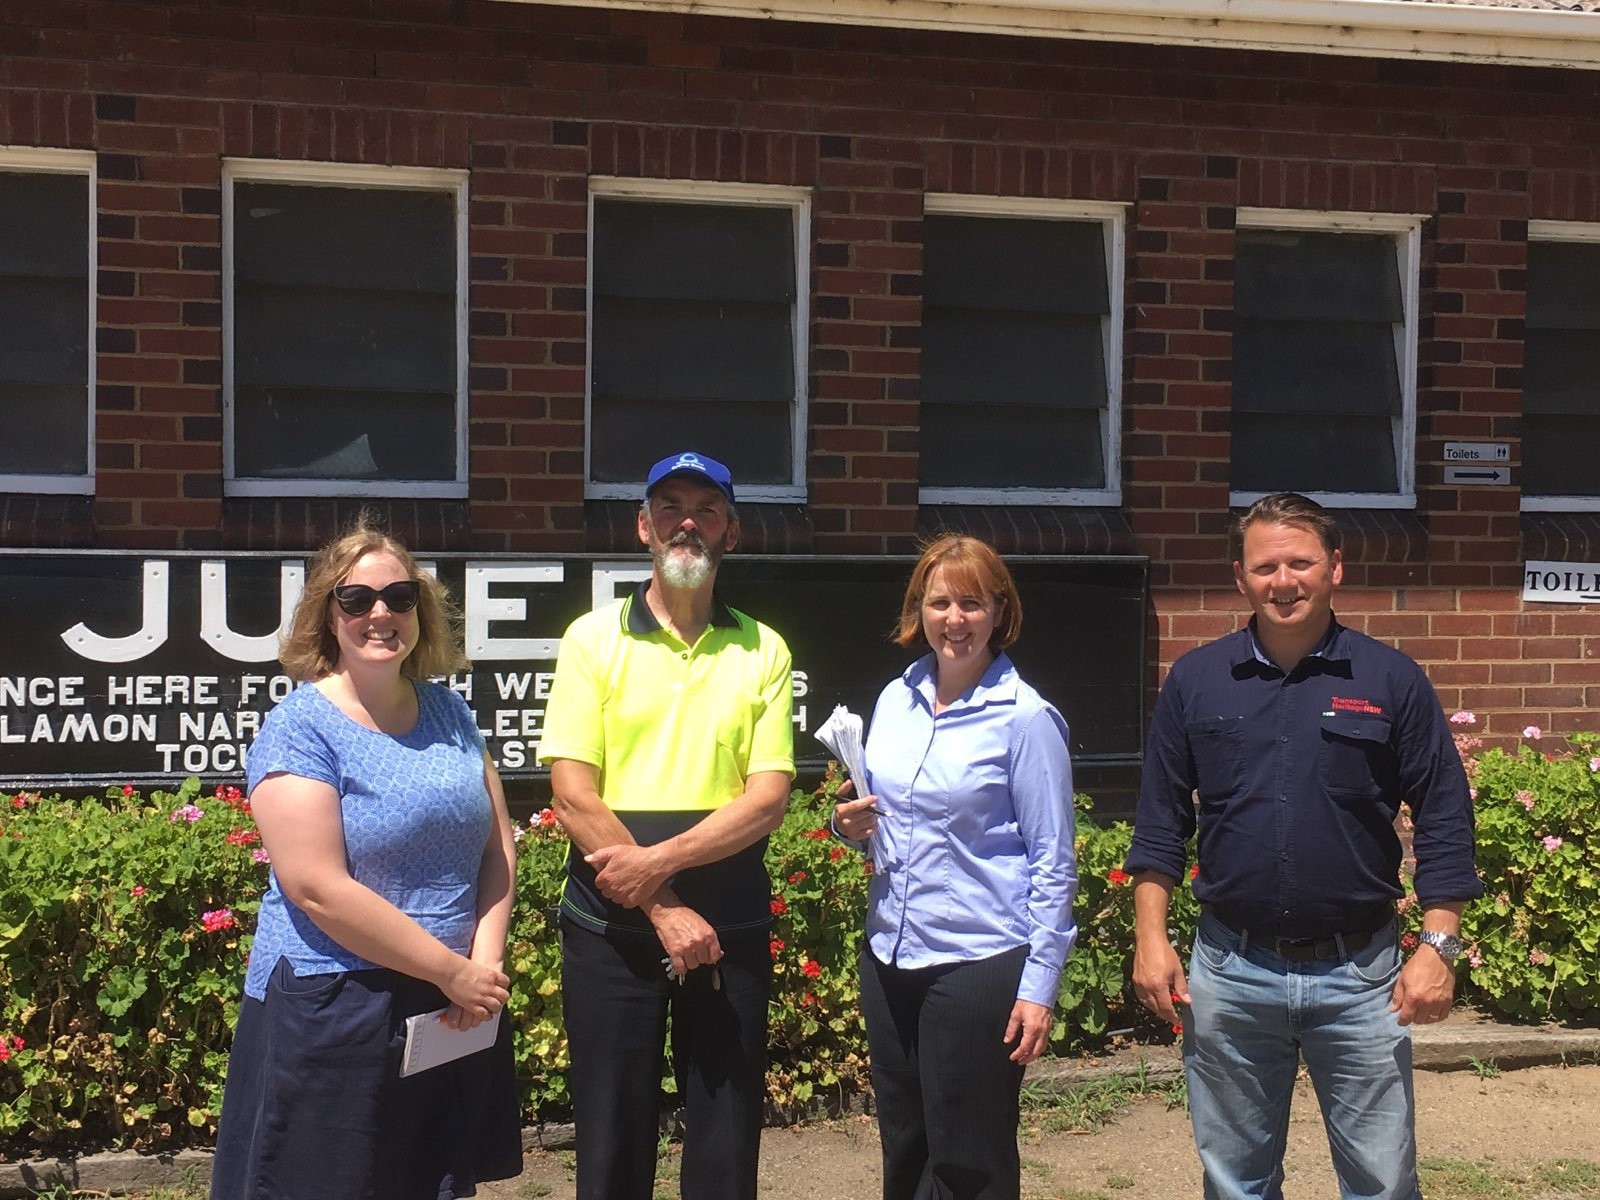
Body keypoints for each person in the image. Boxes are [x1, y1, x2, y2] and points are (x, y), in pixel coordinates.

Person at [1126, 492, 1482, 1200]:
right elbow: (1161, 820)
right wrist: (1150, 938)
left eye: (1300, 563)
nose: (1282, 581)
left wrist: (1438, 947)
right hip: (1230, 973)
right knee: (1237, 1182)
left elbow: (1443, 815)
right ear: (1240, 577)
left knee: (1382, 1181)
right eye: (1265, 567)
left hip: (1361, 979)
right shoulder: (1197, 682)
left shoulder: (1390, 680)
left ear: (1335, 569)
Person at [210, 519, 521, 1200]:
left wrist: (484, 967)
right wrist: (455, 971)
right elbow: (315, 887)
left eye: (399, 597)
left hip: (447, 1006)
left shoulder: (450, 713)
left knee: (423, 1181)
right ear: (329, 614)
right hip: (335, 1004)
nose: (380, 614)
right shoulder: (301, 727)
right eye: (357, 600)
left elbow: (497, 847)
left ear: (420, 610)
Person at [538, 450, 796, 1200]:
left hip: (731, 930)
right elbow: (572, 795)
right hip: (610, 930)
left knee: (725, 1139)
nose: (689, 521)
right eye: (672, 506)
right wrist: (662, 903)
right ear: (642, 526)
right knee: (612, 1140)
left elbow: (768, 799)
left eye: (707, 509)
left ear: (732, 533)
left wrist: (657, 866)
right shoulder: (593, 639)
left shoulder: (765, 648)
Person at [833, 533, 1079, 1200]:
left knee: (969, 1158)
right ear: (920, 610)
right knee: (905, 1146)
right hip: (890, 954)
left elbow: (1055, 860)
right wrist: (847, 823)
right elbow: (882, 821)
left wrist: (1040, 985)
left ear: (1001, 611)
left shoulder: (1026, 720)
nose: (955, 619)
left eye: (972, 603)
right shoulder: (896, 699)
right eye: (940, 603)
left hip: (979, 962)